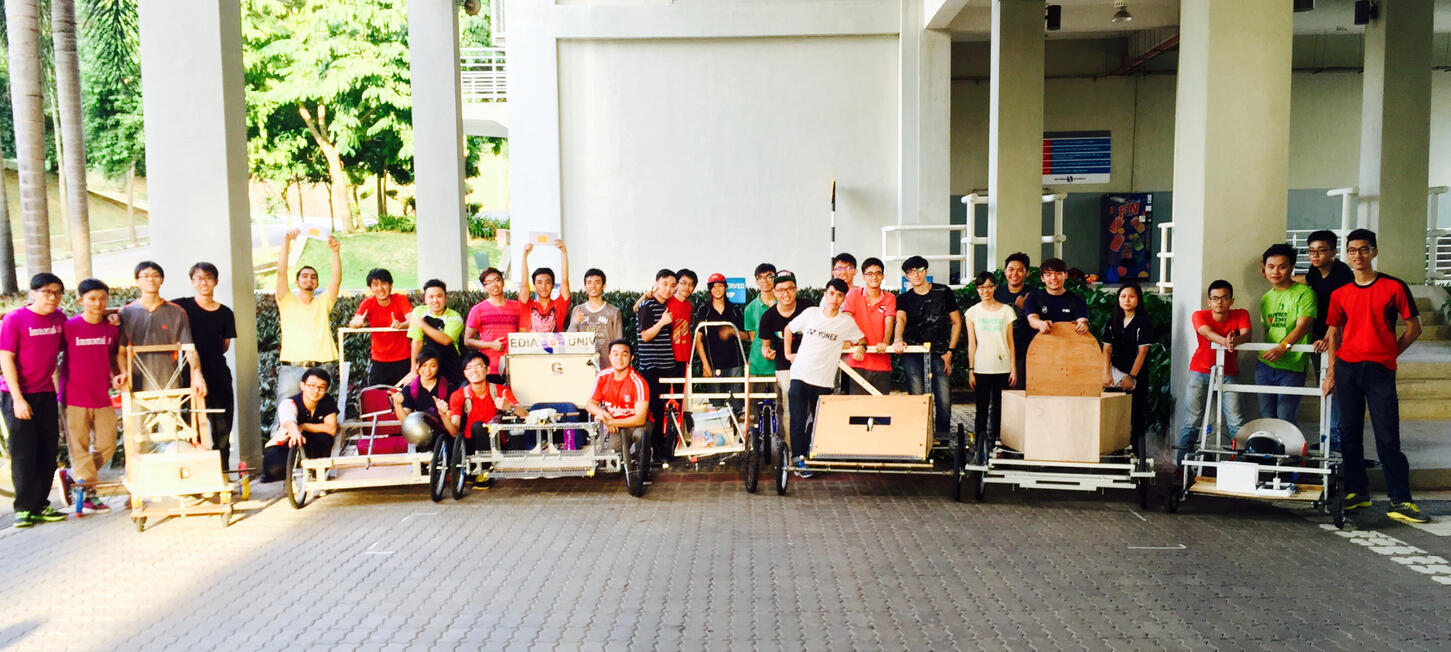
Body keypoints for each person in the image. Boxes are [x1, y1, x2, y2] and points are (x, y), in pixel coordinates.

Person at [1323, 229, 1428, 524]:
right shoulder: (1339, 294)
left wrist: (1390, 354)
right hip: (1347, 369)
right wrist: (1332, 370)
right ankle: (1358, 492)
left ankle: (1402, 500)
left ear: (1375, 252)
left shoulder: (1394, 287)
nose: (1358, 255)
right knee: (1349, 433)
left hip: (1380, 370)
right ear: (1346, 254)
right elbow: (1333, 333)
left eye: (1364, 249)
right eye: (1352, 250)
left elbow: (1413, 328)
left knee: (1386, 435)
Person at [2, 274, 69, 527]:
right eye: (45, 292)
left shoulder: (59, 319)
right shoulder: (15, 319)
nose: (51, 297)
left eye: (56, 292)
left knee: (47, 451)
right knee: (23, 452)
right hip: (16, 394)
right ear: (33, 293)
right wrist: (18, 399)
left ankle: (41, 504)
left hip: (45, 394)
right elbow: (5, 358)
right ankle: (24, 508)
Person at [783, 279, 866, 475]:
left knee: (816, 421)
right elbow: (789, 329)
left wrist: (861, 347)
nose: (834, 298)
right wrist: (788, 354)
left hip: (823, 380)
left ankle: (812, 456)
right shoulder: (811, 313)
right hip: (800, 375)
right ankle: (798, 459)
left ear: (844, 299)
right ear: (825, 294)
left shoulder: (846, 322)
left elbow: (860, 337)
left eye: (839, 295)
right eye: (831, 293)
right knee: (797, 418)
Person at [60, 279, 126, 513]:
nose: (97, 303)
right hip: (73, 397)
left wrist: (118, 375)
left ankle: (75, 477)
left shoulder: (111, 328)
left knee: (107, 443)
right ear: (80, 300)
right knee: (79, 447)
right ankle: (88, 494)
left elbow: (112, 358)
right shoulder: (69, 327)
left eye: (102, 298)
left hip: (101, 397)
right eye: (91, 299)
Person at [1175, 280, 1251, 464]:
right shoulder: (1199, 315)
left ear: (1232, 300)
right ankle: (1182, 464)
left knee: (1236, 420)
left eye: (1224, 298)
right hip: (1199, 371)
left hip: (1230, 371)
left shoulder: (1240, 313)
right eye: (1215, 298)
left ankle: (1240, 465)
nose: (1219, 302)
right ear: (1208, 301)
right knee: (1192, 420)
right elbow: (1205, 332)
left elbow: (1247, 334)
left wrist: (1236, 339)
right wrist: (1226, 341)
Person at [173, 262, 238, 470]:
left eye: (208, 278)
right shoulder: (182, 307)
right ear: (192, 281)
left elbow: (225, 345)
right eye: (199, 278)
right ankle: (197, 472)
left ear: (216, 282)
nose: (204, 282)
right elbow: (156, 310)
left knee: (222, 425)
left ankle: (223, 471)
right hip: (189, 374)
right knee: (192, 425)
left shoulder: (225, 313)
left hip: (218, 373)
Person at [892, 256, 961, 439]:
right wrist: (898, 339)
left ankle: (942, 442)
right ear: (907, 276)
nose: (916, 274)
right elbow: (900, 319)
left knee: (944, 400)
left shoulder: (943, 291)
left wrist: (950, 352)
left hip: (940, 353)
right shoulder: (904, 298)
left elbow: (956, 322)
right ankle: (920, 440)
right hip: (913, 353)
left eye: (919, 270)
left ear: (926, 271)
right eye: (911, 272)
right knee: (917, 398)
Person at [1301, 230, 1354, 451]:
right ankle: (1328, 438)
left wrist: (1328, 337)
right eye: (1311, 251)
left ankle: (1338, 440)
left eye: (1322, 251)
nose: (1315, 256)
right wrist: (1273, 274)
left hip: (1339, 337)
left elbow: (1344, 312)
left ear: (1333, 251)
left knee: (1338, 388)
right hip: (1319, 337)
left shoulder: (1343, 274)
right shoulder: (1314, 272)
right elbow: (1302, 280)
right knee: (1325, 386)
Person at [275, 228, 341, 403]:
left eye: (313, 277)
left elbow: (336, 280)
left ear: (317, 282)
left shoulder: (323, 302)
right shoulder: (286, 300)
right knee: (285, 414)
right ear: (297, 282)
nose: (309, 279)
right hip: (292, 368)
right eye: (304, 276)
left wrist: (335, 252)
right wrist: (286, 242)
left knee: (322, 414)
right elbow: (281, 273)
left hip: (323, 367)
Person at [120, 261, 205, 394]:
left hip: (170, 381)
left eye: (155, 275)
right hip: (136, 383)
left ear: (162, 280)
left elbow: (189, 349)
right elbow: (121, 352)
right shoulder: (125, 313)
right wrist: (124, 373)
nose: (150, 279)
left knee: (170, 415)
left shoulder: (177, 312)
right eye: (145, 276)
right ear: (137, 280)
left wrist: (197, 374)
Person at [1257, 243, 1315, 427]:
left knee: (1285, 418)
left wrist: (1283, 347)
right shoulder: (1266, 297)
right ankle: (1269, 455)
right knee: (1267, 416)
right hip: (1265, 365)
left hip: (1292, 366)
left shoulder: (1305, 293)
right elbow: (1267, 329)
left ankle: (1288, 455)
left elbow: (1303, 326)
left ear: (1291, 268)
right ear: (1263, 269)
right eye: (1271, 267)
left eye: (1282, 267)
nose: (1276, 272)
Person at [759, 270, 815, 445]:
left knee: (816, 408)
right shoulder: (768, 317)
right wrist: (767, 352)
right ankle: (793, 451)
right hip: (786, 369)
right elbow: (765, 346)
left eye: (790, 289)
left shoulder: (808, 308)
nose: (786, 294)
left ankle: (815, 448)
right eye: (781, 290)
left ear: (796, 289)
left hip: (813, 367)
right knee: (791, 409)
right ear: (774, 292)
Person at [1100, 282, 1154, 458]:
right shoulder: (1111, 321)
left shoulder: (1143, 322)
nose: (1127, 300)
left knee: (1135, 417)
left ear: (1138, 299)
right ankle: (1113, 454)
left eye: (1131, 296)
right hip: (1114, 372)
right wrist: (1106, 373)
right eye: (1123, 296)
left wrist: (1132, 377)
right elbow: (1107, 349)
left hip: (1136, 374)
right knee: (1113, 414)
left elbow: (1143, 351)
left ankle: (1139, 459)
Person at [964, 272, 1016, 451]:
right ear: (977, 289)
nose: (985, 291)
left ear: (995, 287)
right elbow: (972, 344)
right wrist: (971, 370)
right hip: (981, 367)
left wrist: (1013, 368)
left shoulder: (1006, 311)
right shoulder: (972, 313)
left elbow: (1010, 341)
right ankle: (979, 443)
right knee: (982, 407)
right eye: (981, 287)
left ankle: (998, 442)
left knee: (999, 408)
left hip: (1002, 366)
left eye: (989, 286)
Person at [442, 352, 527, 458]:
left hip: (497, 441)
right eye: (469, 368)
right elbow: (454, 432)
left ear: (487, 370)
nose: (474, 371)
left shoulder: (500, 390)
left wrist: (509, 407)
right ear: (465, 373)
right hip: (470, 444)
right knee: (478, 426)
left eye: (478, 366)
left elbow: (524, 414)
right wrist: (443, 415)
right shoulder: (458, 395)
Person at [636, 269, 682, 463]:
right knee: (654, 411)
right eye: (664, 284)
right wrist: (662, 322)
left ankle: (666, 449)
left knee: (666, 410)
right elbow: (645, 336)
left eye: (673, 285)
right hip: (651, 367)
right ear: (656, 283)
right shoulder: (647, 305)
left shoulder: (664, 306)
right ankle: (656, 452)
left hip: (667, 367)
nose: (668, 289)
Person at [262, 367, 338, 482]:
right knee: (274, 470)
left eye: (321, 387)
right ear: (302, 385)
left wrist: (303, 426)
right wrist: (295, 432)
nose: (316, 391)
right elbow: (288, 420)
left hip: (315, 444)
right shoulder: (290, 403)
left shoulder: (327, 401)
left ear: (326, 389)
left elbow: (331, 428)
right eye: (311, 385)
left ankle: (317, 476)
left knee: (324, 439)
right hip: (289, 442)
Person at [585, 340, 652, 464]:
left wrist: (611, 421)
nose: (619, 358)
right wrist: (607, 417)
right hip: (615, 427)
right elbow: (590, 404)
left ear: (631, 357)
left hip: (636, 426)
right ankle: (627, 457)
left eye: (624, 354)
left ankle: (643, 466)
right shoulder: (603, 377)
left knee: (641, 435)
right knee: (611, 462)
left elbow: (640, 419)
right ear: (609, 356)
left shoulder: (638, 382)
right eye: (615, 354)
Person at [347, 267, 413, 387]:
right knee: (376, 396)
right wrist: (357, 323)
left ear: (391, 285)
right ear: (370, 288)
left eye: (384, 283)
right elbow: (355, 321)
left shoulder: (400, 299)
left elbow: (412, 319)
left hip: (403, 358)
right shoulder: (368, 303)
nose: (380, 288)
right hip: (379, 359)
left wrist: (401, 325)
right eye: (375, 284)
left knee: (405, 395)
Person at [840, 257, 896, 394]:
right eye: (869, 273)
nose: (874, 277)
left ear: (883, 276)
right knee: (858, 410)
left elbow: (889, 322)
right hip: (858, 359)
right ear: (863, 276)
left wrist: (885, 342)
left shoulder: (890, 297)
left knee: (881, 410)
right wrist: (859, 343)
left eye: (878, 273)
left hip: (882, 362)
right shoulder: (853, 294)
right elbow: (847, 320)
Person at [391, 348, 453, 448]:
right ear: (417, 366)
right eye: (424, 365)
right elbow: (405, 421)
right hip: (421, 436)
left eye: (432, 366)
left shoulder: (448, 388)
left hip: (444, 435)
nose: (427, 370)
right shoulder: (409, 389)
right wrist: (397, 404)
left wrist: (445, 412)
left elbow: (453, 419)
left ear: (438, 367)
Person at [408, 279, 465, 388]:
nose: (435, 300)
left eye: (439, 296)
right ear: (425, 299)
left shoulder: (455, 316)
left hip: (451, 366)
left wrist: (422, 324)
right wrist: (414, 370)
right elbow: (417, 342)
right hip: (428, 367)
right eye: (431, 297)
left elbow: (446, 340)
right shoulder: (419, 311)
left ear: (446, 298)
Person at [464, 267, 521, 375]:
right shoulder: (478, 309)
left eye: (497, 280)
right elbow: (467, 340)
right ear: (484, 288)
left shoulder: (517, 307)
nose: (494, 284)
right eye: (488, 283)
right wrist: (491, 345)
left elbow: (524, 333)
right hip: (489, 368)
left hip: (514, 366)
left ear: (503, 282)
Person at [568, 268, 623, 369]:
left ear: (604, 286)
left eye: (597, 282)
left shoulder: (614, 312)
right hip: (582, 366)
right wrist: (575, 322)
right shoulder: (578, 310)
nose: (592, 286)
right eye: (589, 283)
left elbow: (619, 343)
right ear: (585, 286)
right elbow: (569, 339)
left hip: (607, 367)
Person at [694, 273, 745, 379]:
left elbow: (747, 336)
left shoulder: (734, 309)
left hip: (735, 365)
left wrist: (732, 331)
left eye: (720, 286)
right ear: (710, 290)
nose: (717, 290)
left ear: (726, 287)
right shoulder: (704, 310)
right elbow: (698, 339)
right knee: (715, 396)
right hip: (713, 364)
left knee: (736, 395)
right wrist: (705, 364)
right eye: (713, 287)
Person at [994, 252, 1034, 388]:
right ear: (1005, 272)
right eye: (1011, 269)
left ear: (1027, 273)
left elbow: (1040, 323)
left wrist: (1025, 308)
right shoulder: (996, 293)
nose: (1015, 274)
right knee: (997, 396)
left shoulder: (1034, 294)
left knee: (1018, 394)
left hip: (1023, 353)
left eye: (1020, 270)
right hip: (999, 352)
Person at [1024, 257, 1089, 338]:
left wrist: (1083, 325)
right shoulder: (1033, 297)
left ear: (1065, 275)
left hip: (1069, 346)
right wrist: (1040, 324)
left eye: (1058, 273)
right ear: (1042, 278)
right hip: (1040, 346)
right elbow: (1032, 319)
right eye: (1048, 274)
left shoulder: (1077, 300)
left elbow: (1082, 320)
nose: (1053, 278)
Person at [519, 239, 572, 332]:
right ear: (534, 285)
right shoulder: (527, 305)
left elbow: (564, 281)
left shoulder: (559, 305)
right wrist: (524, 256)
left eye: (547, 282)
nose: (543, 286)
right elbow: (524, 284)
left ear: (552, 285)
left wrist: (564, 252)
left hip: (555, 346)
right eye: (539, 282)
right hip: (530, 346)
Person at [742, 263, 778, 382]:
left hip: (780, 366)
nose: (765, 281)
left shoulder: (784, 304)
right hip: (757, 366)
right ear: (756, 281)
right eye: (760, 277)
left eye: (769, 276)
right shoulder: (749, 309)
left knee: (781, 400)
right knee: (755, 400)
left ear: (775, 278)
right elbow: (754, 339)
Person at [670, 269, 697, 369]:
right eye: (684, 283)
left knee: (683, 384)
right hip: (669, 356)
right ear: (676, 284)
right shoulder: (667, 301)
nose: (687, 287)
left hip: (685, 355)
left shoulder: (689, 306)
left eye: (691, 284)